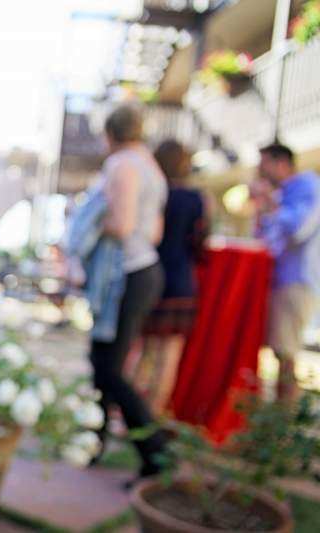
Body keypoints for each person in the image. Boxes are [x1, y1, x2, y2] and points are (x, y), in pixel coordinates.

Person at [87, 105, 169, 482]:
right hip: (144, 268)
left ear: (110, 134)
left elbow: (121, 225)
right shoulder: (150, 166)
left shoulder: (122, 165)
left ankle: (155, 453)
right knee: (103, 361)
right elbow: (152, 231)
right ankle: (94, 439)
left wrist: (85, 225)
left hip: (126, 274)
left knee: (108, 367)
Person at [133, 140, 208, 416]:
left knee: (145, 351)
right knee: (168, 355)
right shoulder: (194, 199)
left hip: (151, 275)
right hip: (182, 280)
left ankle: (130, 414)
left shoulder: (156, 193)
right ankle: (152, 414)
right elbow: (200, 243)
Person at [256, 143, 320, 402]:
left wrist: (272, 205)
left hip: (296, 281)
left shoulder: (307, 187)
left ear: (281, 163)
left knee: (286, 354)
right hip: (282, 280)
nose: (259, 171)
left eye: (263, 164)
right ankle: (278, 420)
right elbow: (265, 239)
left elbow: (297, 230)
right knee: (279, 354)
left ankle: (282, 423)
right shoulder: (284, 194)